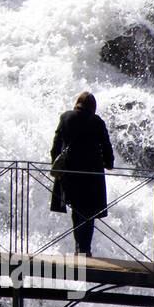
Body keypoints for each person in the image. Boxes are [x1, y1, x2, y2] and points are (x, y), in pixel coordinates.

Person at [49, 91, 115, 256]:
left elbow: (56, 146)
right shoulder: (97, 121)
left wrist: (56, 164)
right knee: (88, 212)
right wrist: (109, 163)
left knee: (76, 209)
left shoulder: (66, 118)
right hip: (92, 176)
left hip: (71, 174)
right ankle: (85, 248)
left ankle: (78, 247)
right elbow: (106, 147)